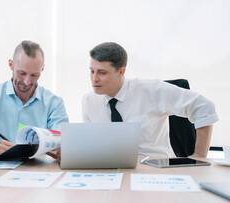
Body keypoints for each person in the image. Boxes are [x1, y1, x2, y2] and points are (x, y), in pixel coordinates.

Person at [82, 42, 218, 158]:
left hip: (154, 166)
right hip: (111, 169)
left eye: (102, 72)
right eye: (92, 71)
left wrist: (199, 156)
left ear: (121, 72)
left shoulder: (152, 90)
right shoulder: (89, 101)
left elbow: (204, 107)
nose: (94, 78)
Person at [0, 40, 68, 158]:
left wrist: (58, 148)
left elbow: (63, 140)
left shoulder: (54, 103)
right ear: (11, 64)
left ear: (42, 69)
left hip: (40, 169)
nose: (27, 81)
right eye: (21, 73)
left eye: (34, 75)